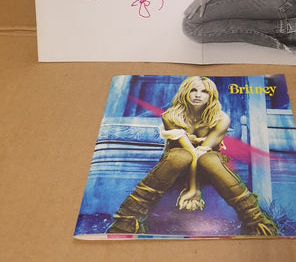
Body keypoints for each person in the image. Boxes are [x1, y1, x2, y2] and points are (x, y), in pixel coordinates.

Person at [107, 76, 278, 236]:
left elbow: (200, 152)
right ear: (185, 92)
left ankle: (256, 222)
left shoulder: (221, 119)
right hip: (176, 164)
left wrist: (194, 189)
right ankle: (127, 220)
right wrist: (192, 188)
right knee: (181, 156)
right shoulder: (171, 116)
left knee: (209, 159)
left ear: (211, 96)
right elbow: (190, 152)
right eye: (193, 90)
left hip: (208, 165)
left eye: (204, 91)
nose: (198, 95)